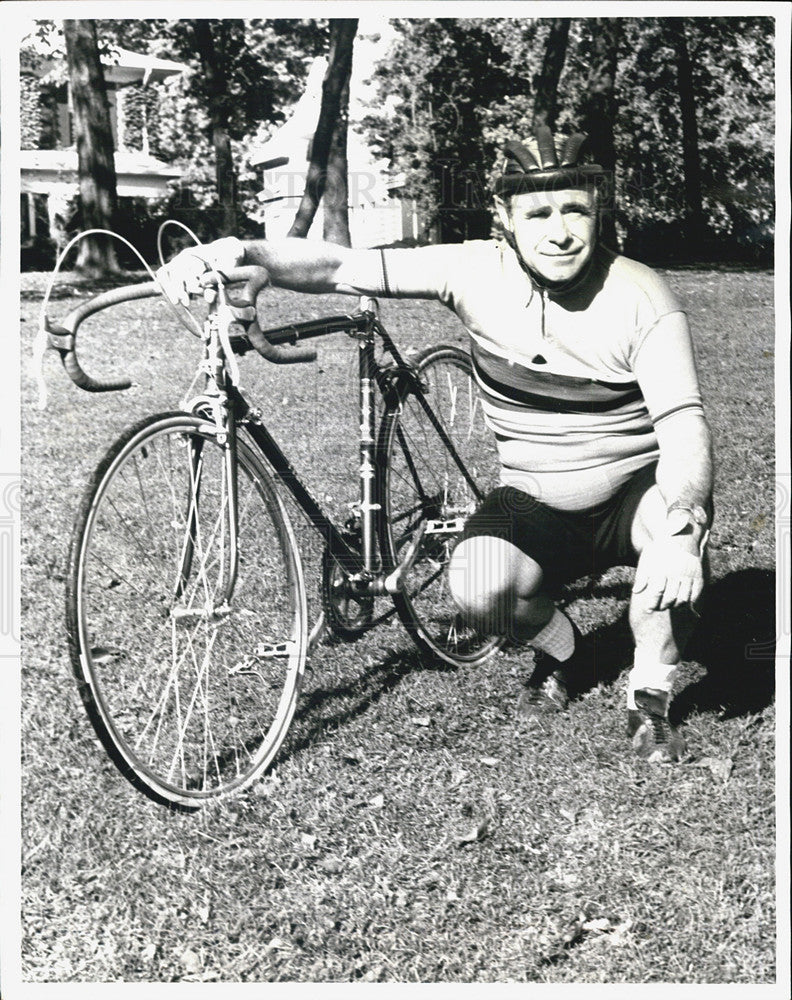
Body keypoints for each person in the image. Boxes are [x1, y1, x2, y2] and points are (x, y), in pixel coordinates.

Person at [158, 124, 714, 764]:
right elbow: (341, 265)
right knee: (476, 586)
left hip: (632, 491)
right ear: (504, 219)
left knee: (671, 562)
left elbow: (683, 427)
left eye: (574, 210)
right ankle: (569, 652)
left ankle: (651, 697)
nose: (558, 232)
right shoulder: (472, 269)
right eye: (537, 213)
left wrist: (683, 523)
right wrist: (231, 249)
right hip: (533, 495)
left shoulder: (643, 296)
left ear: (598, 213)